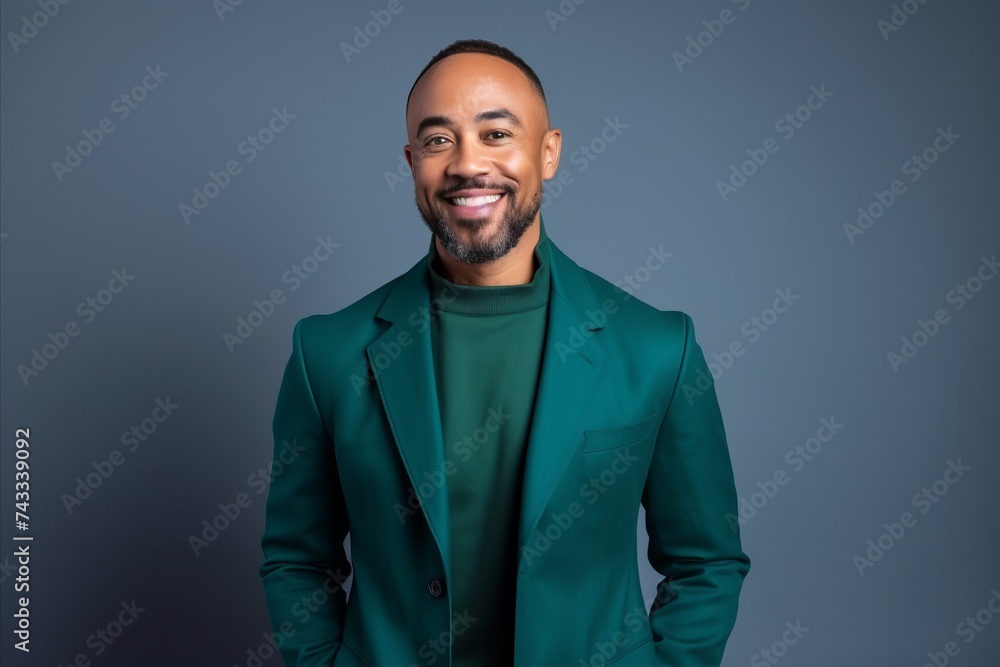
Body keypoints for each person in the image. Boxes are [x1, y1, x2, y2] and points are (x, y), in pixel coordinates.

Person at [259, 38, 750, 667]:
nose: (468, 164)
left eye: (496, 134)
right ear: (411, 162)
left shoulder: (657, 347)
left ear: (548, 154)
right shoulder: (326, 352)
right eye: (439, 140)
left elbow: (707, 561)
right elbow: (297, 558)